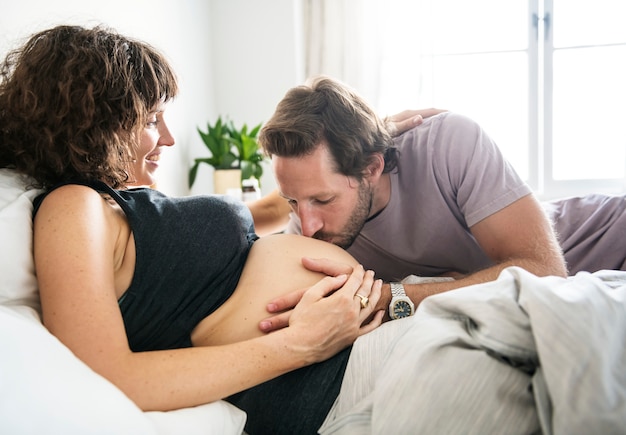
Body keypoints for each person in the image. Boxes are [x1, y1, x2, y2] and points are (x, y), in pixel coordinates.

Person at [0, 25, 390, 434]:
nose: (168, 138)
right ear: (96, 124)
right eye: (152, 119)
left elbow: (272, 208)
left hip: (354, 348)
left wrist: (367, 140)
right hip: (330, 386)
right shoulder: (71, 206)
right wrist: (302, 345)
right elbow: (111, 374)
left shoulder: (121, 203)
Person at [256, 75, 571, 329]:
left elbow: (546, 272)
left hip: (599, 239)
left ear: (372, 167)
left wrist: (392, 297)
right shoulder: (307, 229)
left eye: (323, 199)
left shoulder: (448, 143)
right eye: (293, 201)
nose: (308, 227)